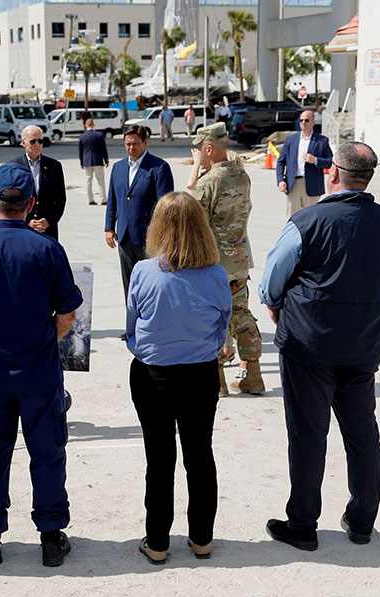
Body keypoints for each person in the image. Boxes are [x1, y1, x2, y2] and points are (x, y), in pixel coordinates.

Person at [259, 142, 380, 551]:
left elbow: (273, 278)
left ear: (334, 173)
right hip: (361, 344)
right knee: (362, 435)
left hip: (309, 344)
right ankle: (362, 521)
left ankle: (303, 525)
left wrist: (274, 304)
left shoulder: (306, 221)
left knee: (308, 436)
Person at [0, 163, 83, 568]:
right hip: (39, 373)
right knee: (48, 453)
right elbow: (68, 315)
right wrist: (43, 340)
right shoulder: (49, 250)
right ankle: (51, 537)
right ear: (31, 203)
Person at [127, 191, 232, 565]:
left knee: (159, 459)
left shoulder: (143, 271)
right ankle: (202, 538)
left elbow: (132, 327)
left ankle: (157, 541)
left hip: (153, 373)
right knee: (200, 454)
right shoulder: (217, 274)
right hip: (200, 373)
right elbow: (222, 329)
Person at [190, 123, 265, 395]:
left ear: (209, 149)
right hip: (239, 263)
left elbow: (194, 225)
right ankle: (253, 376)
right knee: (242, 315)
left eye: (200, 149)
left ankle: (217, 381)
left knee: (211, 318)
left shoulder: (208, 182)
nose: (198, 154)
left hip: (213, 265)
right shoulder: (242, 176)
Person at [104, 124, 174, 330]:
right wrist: (109, 227)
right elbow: (113, 200)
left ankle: (151, 326)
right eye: (127, 144)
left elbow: (165, 206)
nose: (131, 148)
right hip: (124, 236)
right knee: (129, 283)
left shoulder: (159, 168)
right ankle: (132, 327)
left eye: (135, 144)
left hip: (149, 239)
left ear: (145, 142)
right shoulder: (118, 168)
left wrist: (162, 235)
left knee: (152, 283)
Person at [8, 125, 66, 241]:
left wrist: (48, 221)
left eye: (40, 141)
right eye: (33, 141)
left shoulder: (54, 166)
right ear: (23, 142)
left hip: (48, 230)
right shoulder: (13, 167)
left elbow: (60, 199)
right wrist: (27, 221)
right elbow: (9, 202)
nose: (37, 145)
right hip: (23, 229)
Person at [276, 110, 334, 217]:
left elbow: (331, 162)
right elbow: (281, 162)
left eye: (306, 120)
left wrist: (316, 160)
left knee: (311, 218)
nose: (303, 123)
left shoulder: (322, 141)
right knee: (292, 218)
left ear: (313, 122)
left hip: (312, 185)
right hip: (293, 184)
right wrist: (280, 180)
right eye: (301, 120)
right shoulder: (290, 140)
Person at [78, 119, 109, 205]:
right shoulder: (99, 135)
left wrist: (81, 162)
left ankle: (90, 199)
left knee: (88, 180)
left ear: (86, 126)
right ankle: (103, 199)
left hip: (87, 161)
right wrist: (106, 159)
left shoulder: (82, 136)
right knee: (100, 180)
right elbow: (103, 149)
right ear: (93, 125)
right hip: (98, 160)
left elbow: (80, 151)